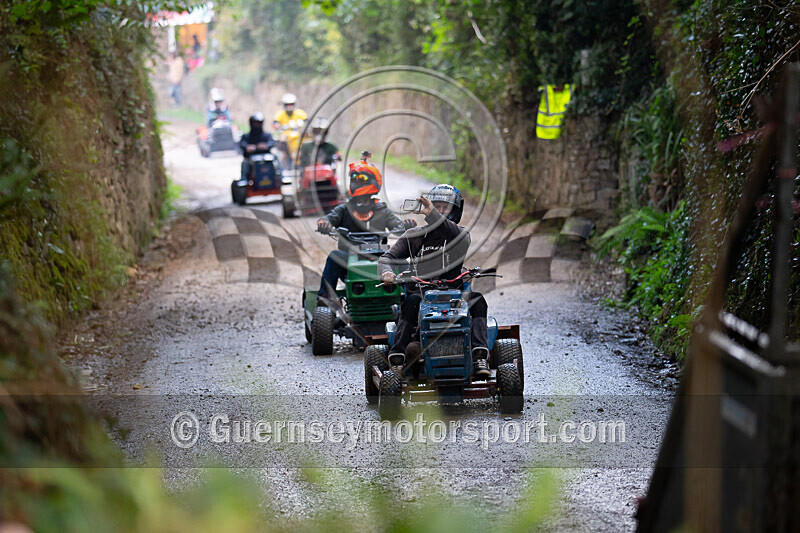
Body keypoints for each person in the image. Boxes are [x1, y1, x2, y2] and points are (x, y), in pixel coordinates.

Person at [378, 184, 491, 378]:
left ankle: (479, 354)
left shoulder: (460, 235)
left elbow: (454, 233)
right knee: (410, 303)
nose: (438, 211)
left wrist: (431, 214)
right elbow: (387, 258)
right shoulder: (413, 236)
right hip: (421, 295)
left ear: (455, 211)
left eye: (444, 208)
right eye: (435, 206)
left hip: (455, 295)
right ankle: (397, 356)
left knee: (478, 300)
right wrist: (387, 272)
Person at [315, 153, 413, 304]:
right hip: (350, 258)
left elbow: (397, 226)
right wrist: (324, 223)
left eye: (361, 179)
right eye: (354, 179)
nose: (356, 182)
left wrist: (406, 225)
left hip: (381, 258)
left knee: (403, 262)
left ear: (374, 181)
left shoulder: (382, 210)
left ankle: (412, 298)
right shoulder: (344, 209)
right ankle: (324, 300)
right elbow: (329, 218)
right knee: (334, 256)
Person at [237, 112, 277, 184]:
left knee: (276, 158)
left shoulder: (267, 135)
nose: (256, 125)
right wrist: (248, 147)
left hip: (266, 158)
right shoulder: (246, 136)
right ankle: (244, 179)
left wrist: (266, 146)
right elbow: (242, 144)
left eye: (258, 123)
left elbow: (271, 142)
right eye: (255, 123)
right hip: (251, 158)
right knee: (245, 163)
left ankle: (280, 176)